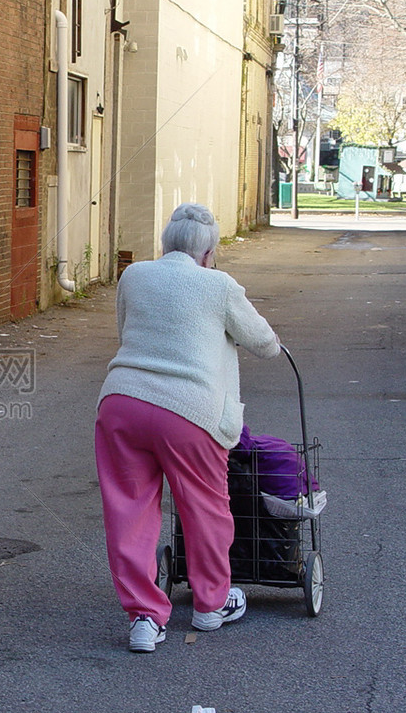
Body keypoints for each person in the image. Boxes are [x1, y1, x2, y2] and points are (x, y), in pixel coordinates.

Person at [94, 203, 281, 653]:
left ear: (165, 243)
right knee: (206, 508)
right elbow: (264, 343)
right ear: (209, 252)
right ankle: (211, 606)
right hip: (189, 413)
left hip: (123, 402)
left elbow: (127, 330)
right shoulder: (219, 286)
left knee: (129, 511)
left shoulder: (134, 276)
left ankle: (144, 619)